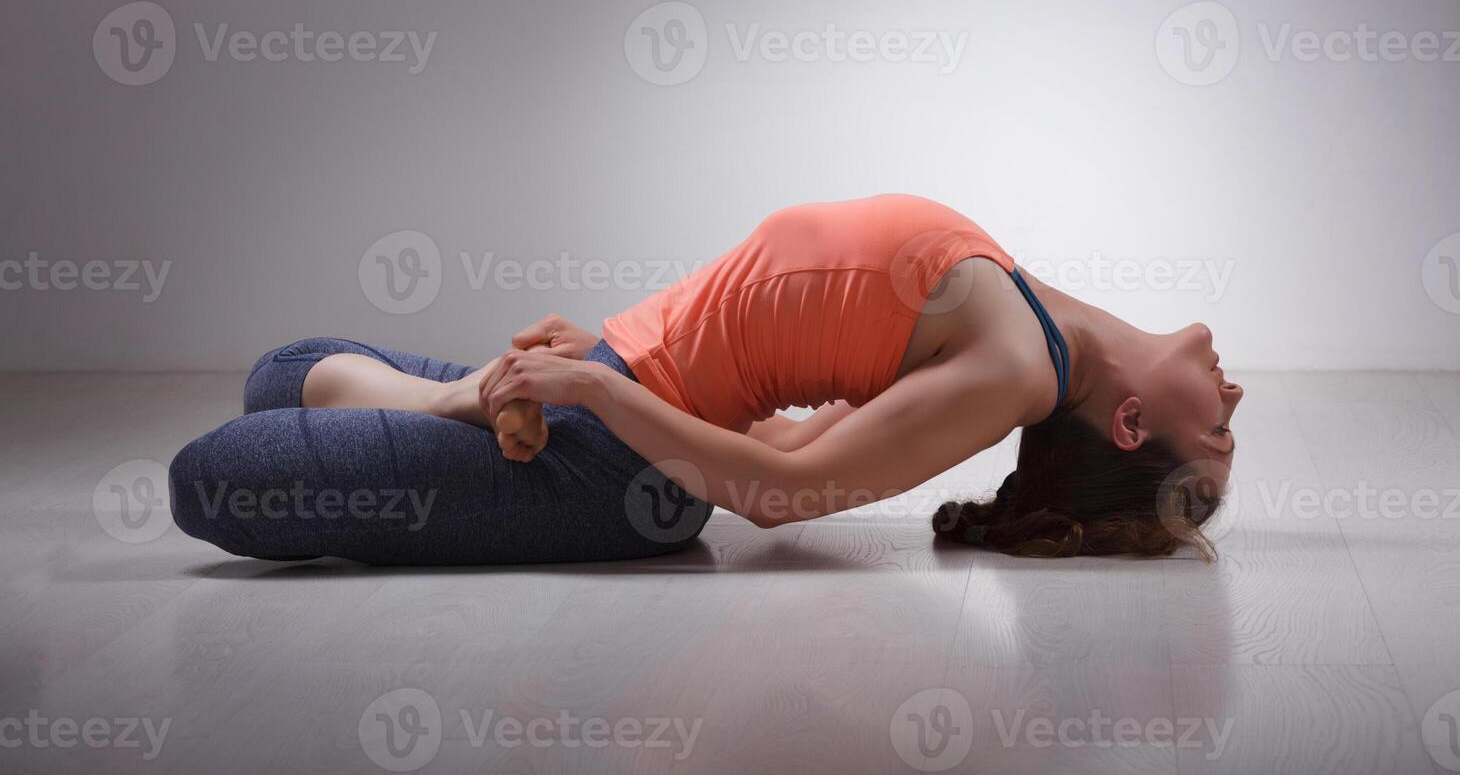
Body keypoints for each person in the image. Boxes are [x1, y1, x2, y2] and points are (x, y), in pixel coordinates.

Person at [169, 193, 1241, 565]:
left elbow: (781, 499)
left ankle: (467, 410)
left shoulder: (1010, 368)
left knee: (214, 479)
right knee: (285, 371)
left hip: (616, 477)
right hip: (609, 386)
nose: (1237, 400)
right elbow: (793, 440)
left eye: (1222, 434)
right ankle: (462, 407)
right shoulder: (1023, 318)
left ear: (1134, 423)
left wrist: (593, 397)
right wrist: (599, 364)